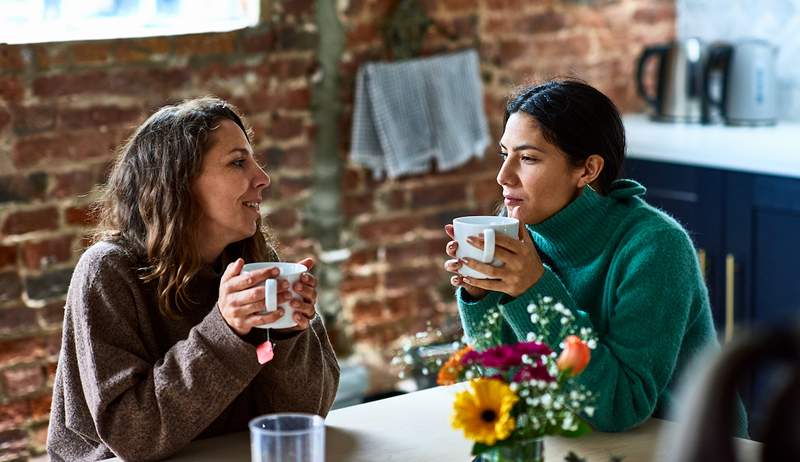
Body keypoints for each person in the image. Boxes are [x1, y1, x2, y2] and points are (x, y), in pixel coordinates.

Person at [443, 79, 747, 436]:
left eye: (527, 158)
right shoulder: (520, 236)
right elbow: (505, 385)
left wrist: (533, 288)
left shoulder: (657, 247)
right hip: (584, 440)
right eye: (504, 154)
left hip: (689, 444)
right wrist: (479, 297)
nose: (503, 175)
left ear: (587, 170)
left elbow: (621, 406)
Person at [47, 97, 340, 461]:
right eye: (237, 162)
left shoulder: (252, 263)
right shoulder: (108, 273)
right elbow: (131, 437)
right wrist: (227, 332)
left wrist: (285, 332)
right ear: (179, 183)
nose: (263, 178)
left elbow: (307, 416)